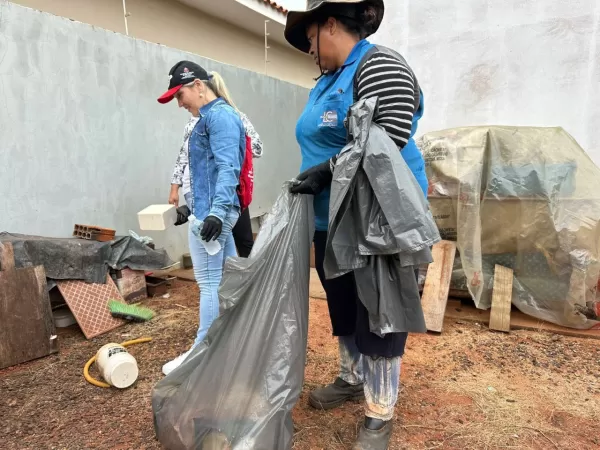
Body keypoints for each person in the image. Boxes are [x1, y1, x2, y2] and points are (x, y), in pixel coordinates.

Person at [284, 1, 428, 449]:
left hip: (377, 220)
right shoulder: (326, 81)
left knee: (379, 313)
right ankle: (351, 376)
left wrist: (325, 171)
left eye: (310, 40)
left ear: (330, 24)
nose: (310, 51)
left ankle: (379, 412)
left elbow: (387, 137)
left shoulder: (378, 64)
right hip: (333, 216)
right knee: (343, 304)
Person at [157, 61, 246, 375]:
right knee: (232, 279)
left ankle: (201, 355)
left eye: (180, 96)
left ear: (198, 86)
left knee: (209, 284)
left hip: (213, 215)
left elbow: (227, 169)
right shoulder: (210, 117)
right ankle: (236, 346)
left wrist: (217, 214)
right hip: (207, 211)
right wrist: (189, 208)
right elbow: (206, 172)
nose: (180, 104)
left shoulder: (220, 117)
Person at [168, 97, 263, 258]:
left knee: (242, 240)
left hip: (231, 188)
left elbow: (257, 148)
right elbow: (184, 155)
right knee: (216, 245)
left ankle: (253, 281)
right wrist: (174, 187)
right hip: (203, 190)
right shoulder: (193, 123)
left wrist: (228, 147)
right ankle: (228, 281)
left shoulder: (234, 116)